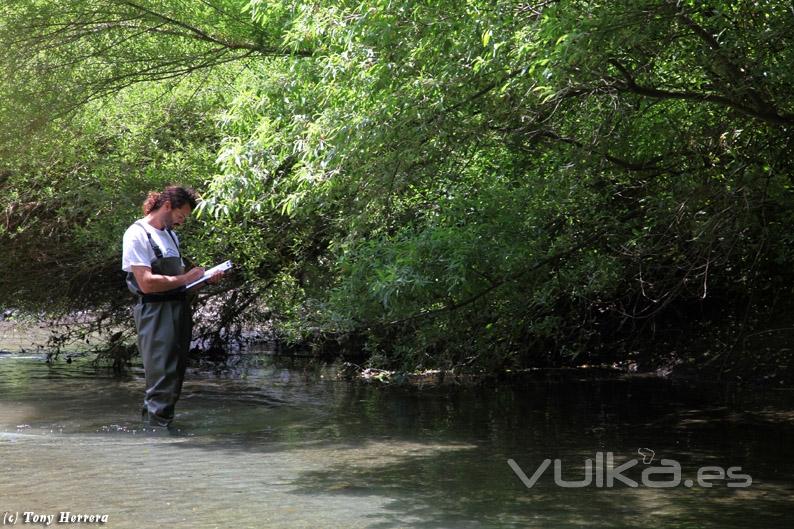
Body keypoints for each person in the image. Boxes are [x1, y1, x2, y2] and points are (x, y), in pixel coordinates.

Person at [121, 185, 221, 427]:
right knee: (161, 379)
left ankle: (159, 433)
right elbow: (146, 284)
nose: (182, 221)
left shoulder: (171, 236)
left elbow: (177, 286)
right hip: (154, 313)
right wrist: (188, 277)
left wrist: (204, 280)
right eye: (181, 215)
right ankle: (156, 439)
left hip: (178, 309)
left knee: (174, 378)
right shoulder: (136, 234)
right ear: (167, 206)